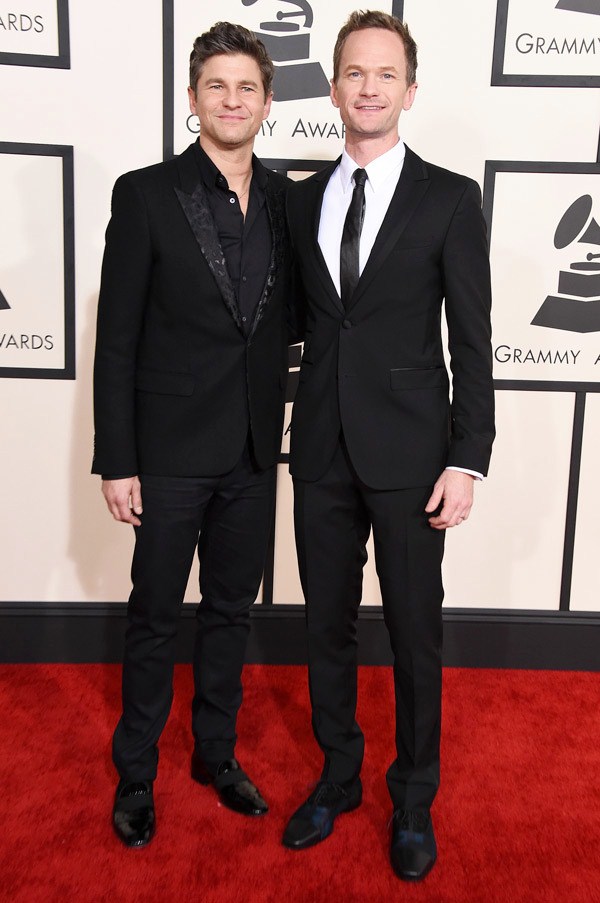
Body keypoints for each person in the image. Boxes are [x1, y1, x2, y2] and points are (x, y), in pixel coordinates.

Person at [282, 10, 495, 882]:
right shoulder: (298, 199)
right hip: (322, 450)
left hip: (413, 456)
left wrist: (467, 453)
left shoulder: (450, 197)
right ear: (332, 86)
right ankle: (340, 776)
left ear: (410, 89)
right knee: (325, 627)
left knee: (414, 632)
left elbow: (472, 340)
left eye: (385, 74)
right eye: (353, 73)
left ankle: (412, 796)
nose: (367, 88)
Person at [93, 21, 296, 848]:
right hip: (169, 451)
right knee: (153, 615)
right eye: (217, 85)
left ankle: (216, 752)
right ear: (192, 101)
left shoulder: (291, 200)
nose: (233, 99)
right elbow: (116, 338)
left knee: (227, 615)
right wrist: (118, 459)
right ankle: (135, 774)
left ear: (268, 103)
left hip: (253, 446)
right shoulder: (143, 193)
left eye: (247, 86)